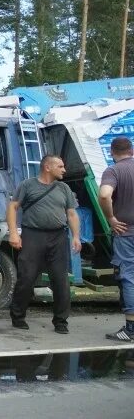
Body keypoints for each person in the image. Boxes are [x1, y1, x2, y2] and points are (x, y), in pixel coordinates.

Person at [7, 155, 82, 334]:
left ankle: (61, 322)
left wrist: (76, 236)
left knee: (61, 280)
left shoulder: (64, 188)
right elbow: (12, 207)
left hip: (58, 237)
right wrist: (13, 233)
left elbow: (71, 214)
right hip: (33, 235)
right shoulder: (27, 185)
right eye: (60, 166)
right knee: (27, 278)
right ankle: (18, 316)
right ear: (47, 167)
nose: (64, 169)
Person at [99, 136, 134, 343]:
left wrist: (111, 218)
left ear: (112, 152)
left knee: (129, 276)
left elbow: (104, 195)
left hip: (126, 233)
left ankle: (131, 329)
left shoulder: (114, 171)